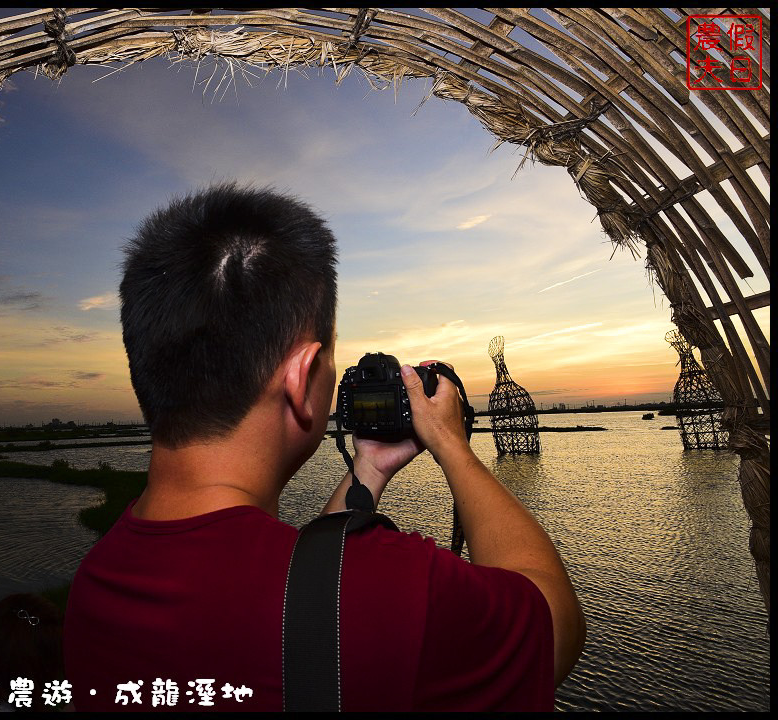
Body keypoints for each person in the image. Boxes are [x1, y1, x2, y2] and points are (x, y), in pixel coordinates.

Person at [64, 183, 585, 711]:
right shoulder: (394, 591)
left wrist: (369, 470)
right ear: (303, 375)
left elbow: (305, 597)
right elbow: (556, 623)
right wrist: (452, 444)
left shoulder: (94, 585)